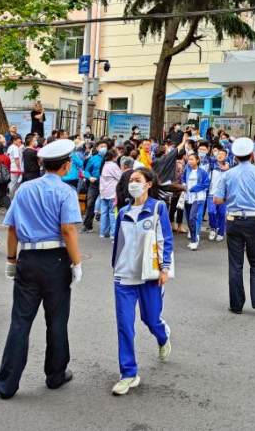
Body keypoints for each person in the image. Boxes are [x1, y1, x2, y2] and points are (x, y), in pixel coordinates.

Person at [0, 139, 83, 399]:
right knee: (56, 320)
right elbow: (68, 230)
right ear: (66, 166)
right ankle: (55, 375)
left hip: (28, 258)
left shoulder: (24, 189)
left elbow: (12, 229)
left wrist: (11, 260)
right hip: (56, 259)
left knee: (20, 321)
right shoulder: (65, 192)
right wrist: (76, 263)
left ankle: (7, 383)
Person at [110, 167, 173, 395]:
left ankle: (163, 335)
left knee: (150, 319)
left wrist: (165, 268)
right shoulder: (123, 210)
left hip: (149, 275)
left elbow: (166, 238)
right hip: (124, 276)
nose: (132, 184)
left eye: (137, 180)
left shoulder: (158, 208)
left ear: (148, 184)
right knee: (125, 325)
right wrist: (115, 267)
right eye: (130, 180)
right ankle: (128, 373)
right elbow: (118, 242)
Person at [212, 137, 255, 314]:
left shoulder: (228, 174)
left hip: (233, 220)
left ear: (235, 157)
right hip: (254, 221)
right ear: (253, 154)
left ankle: (236, 304)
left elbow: (217, 199)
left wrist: (229, 198)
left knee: (235, 263)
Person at [81, 139, 107, 233]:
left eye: (105, 146)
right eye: (101, 146)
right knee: (90, 203)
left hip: (107, 184)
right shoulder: (93, 158)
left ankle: (107, 229)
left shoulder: (110, 158)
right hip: (94, 183)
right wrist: (89, 177)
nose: (103, 148)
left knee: (108, 205)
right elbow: (86, 171)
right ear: (97, 148)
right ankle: (87, 225)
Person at [98, 149, 122, 239]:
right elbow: (120, 177)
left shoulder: (104, 164)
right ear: (114, 156)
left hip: (103, 192)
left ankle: (103, 232)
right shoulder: (113, 166)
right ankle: (113, 234)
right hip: (112, 193)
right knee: (112, 213)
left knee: (104, 213)